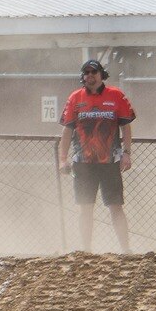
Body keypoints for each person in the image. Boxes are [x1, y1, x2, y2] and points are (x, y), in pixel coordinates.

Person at [56, 59, 134, 254]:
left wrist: (127, 153)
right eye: (86, 72)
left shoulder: (116, 96)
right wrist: (63, 159)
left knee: (116, 206)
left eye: (94, 72)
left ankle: (126, 250)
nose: (90, 76)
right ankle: (86, 250)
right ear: (82, 76)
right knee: (85, 208)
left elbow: (126, 126)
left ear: (102, 75)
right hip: (83, 164)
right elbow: (67, 131)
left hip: (110, 162)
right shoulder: (75, 97)